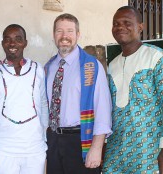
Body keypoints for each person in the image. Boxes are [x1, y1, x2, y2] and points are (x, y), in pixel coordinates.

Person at [45, 13, 112, 174]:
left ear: (78, 34)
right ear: (54, 35)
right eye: (59, 31)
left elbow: (103, 108)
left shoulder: (91, 66)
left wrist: (96, 148)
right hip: (53, 140)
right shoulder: (48, 67)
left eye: (69, 31)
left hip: (80, 140)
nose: (64, 36)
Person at [103, 6, 163, 173]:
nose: (120, 27)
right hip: (115, 152)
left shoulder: (156, 58)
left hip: (149, 152)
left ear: (141, 27)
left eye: (127, 23)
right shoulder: (112, 65)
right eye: (116, 23)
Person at [0, 24, 48, 174]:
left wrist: (44, 139)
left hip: (34, 149)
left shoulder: (37, 69)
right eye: (7, 39)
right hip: (4, 149)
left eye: (18, 39)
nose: (12, 44)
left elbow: (44, 104)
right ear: (2, 44)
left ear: (25, 43)